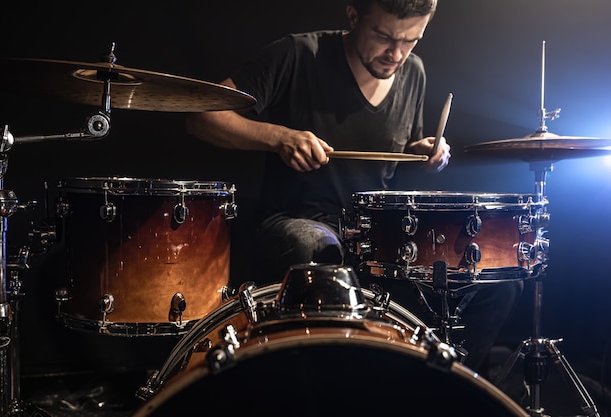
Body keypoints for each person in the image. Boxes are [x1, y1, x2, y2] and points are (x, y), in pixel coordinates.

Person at [185, 0, 522, 374]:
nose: (396, 53)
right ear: (352, 15)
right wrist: (278, 137)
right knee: (316, 245)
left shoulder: (413, 71)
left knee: (495, 282)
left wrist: (422, 151)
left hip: (376, 236)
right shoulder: (300, 54)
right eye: (384, 37)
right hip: (296, 222)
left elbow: (399, 152)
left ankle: (439, 390)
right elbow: (203, 115)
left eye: (411, 40)